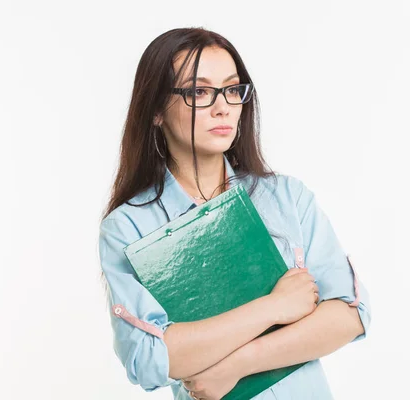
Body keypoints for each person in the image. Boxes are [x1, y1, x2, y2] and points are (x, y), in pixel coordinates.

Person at [98, 27, 371, 400]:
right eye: (199, 91)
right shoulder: (129, 226)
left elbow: (349, 315)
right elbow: (150, 358)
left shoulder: (286, 197)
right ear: (157, 110)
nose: (223, 106)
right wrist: (275, 306)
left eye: (232, 89)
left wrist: (235, 365)